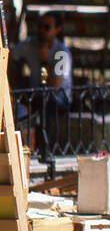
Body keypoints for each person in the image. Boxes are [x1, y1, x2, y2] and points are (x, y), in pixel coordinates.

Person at [12, 12, 73, 155]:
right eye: (39, 26)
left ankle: (44, 148)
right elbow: (10, 56)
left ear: (57, 30)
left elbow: (54, 86)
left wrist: (44, 60)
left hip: (58, 98)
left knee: (46, 104)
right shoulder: (29, 45)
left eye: (47, 27)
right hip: (34, 95)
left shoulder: (62, 53)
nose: (42, 30)